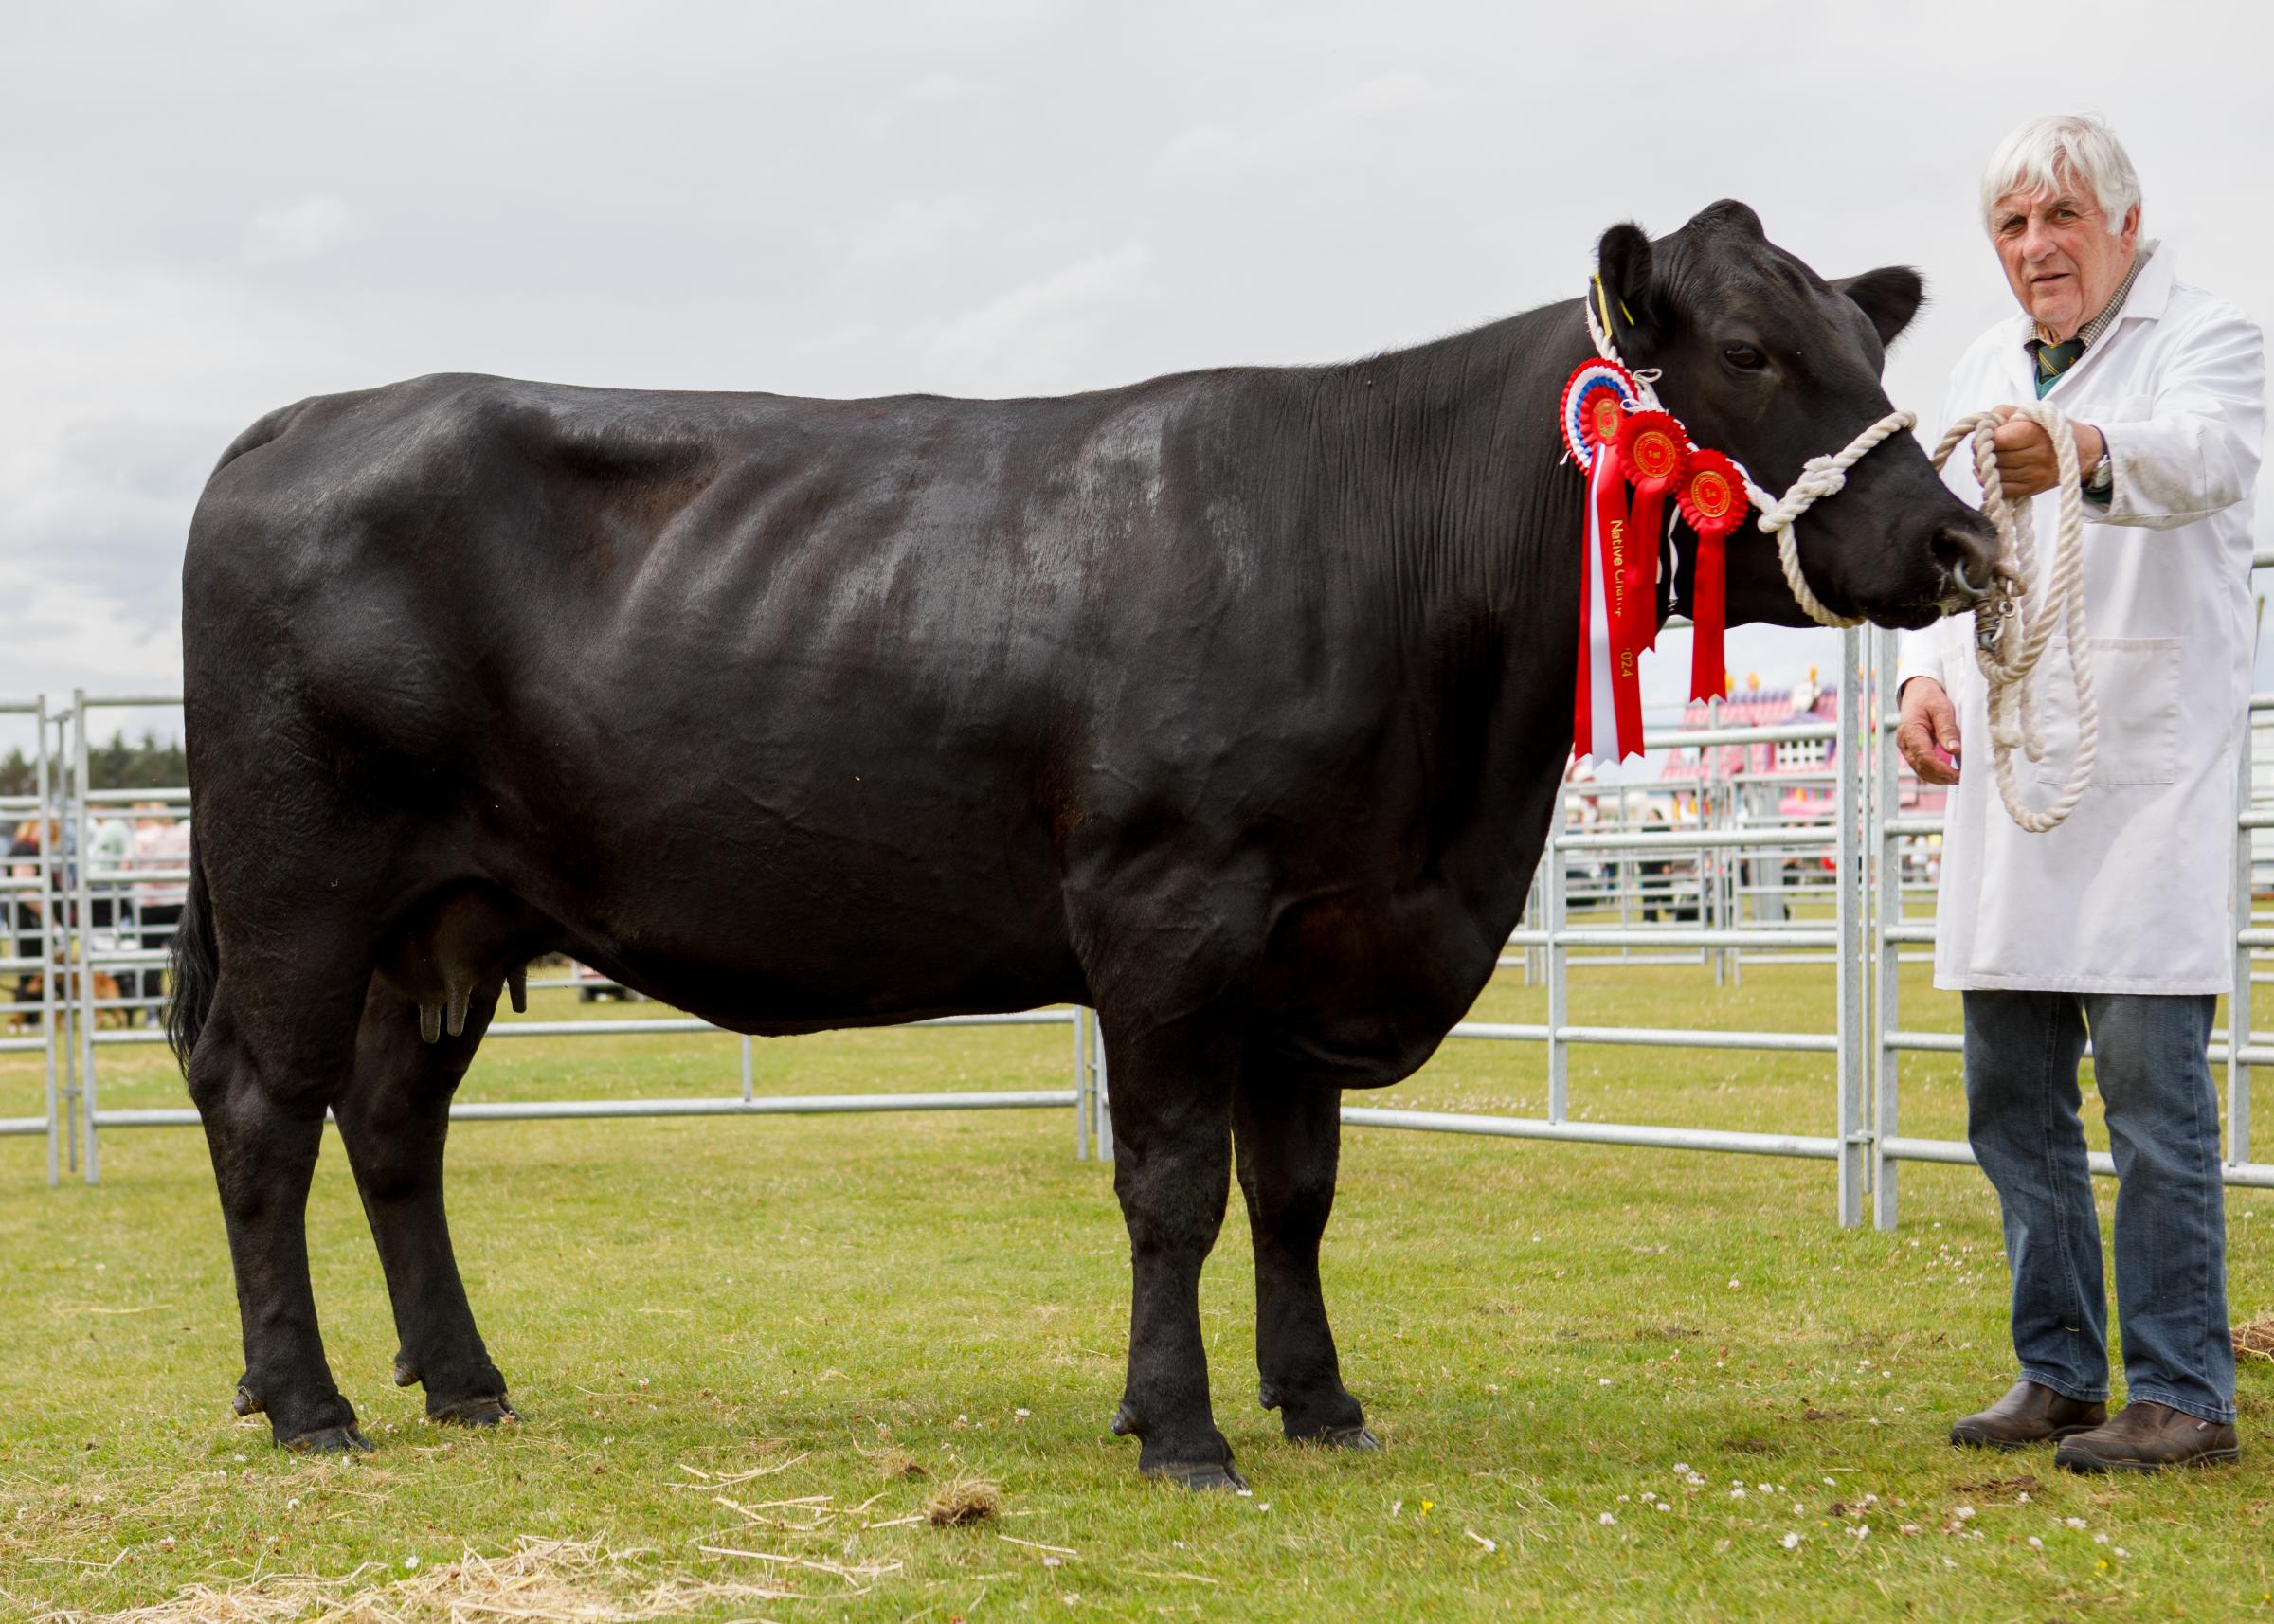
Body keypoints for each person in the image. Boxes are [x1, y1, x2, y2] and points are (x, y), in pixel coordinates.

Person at [1896, 116, 2264, 1472]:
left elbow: (2211, 458)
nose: (2036, 247)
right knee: (2010, 1090)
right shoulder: (1986, 363)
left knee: (2154, 1096)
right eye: (2011, 226)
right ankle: (2057, 1366)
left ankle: (2182, 1388)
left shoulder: (2209, 337)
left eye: (2059, 217)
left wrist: (2089, 445)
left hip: (2147, 768)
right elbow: (1950, 542)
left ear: (2122, 220)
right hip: (2018, 762)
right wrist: (1921, 677)